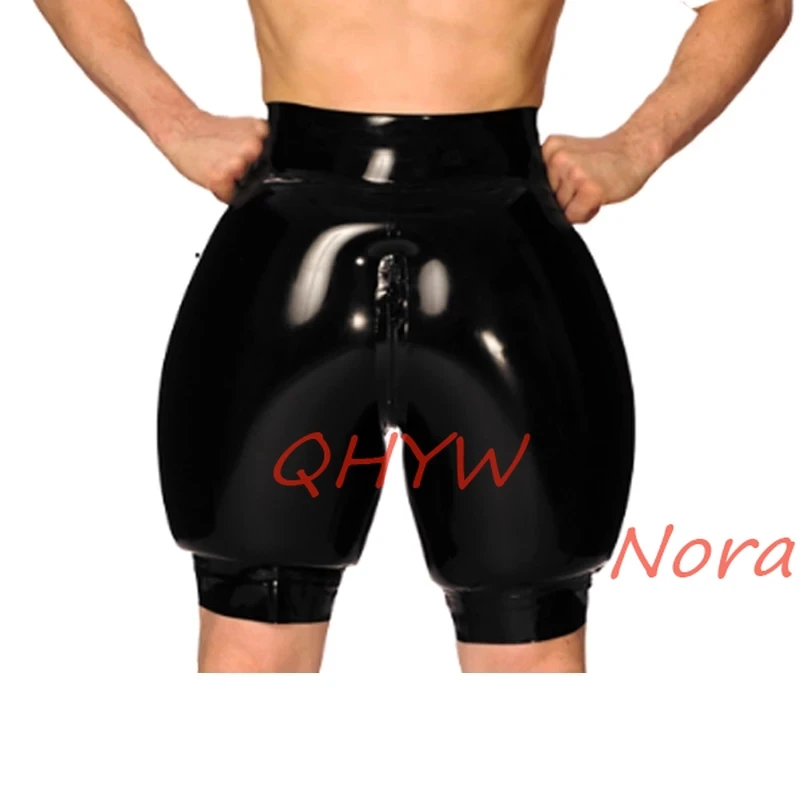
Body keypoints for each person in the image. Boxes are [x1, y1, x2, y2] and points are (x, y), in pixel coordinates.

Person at [35, 0, 792, 673]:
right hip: (299, 248)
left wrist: (638, 145)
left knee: (528, 644)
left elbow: (755, 4)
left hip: (498, 257)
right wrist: (175, 121)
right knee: (253, 642)